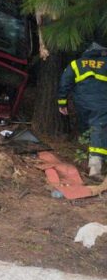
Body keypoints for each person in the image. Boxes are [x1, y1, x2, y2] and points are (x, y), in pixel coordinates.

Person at [57, 42, 107, 180]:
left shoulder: (76, 64)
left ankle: (85, 158)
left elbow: (65, 82)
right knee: (99, 129)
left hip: (82, 103)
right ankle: (95, 168)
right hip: (102, 103)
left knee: (87, 129)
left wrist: (62, 102)